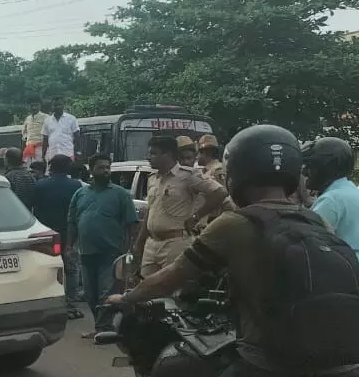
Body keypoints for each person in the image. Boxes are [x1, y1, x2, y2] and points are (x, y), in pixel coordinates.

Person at [107, 124, 359, 377]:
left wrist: (128, 296)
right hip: (342, 365)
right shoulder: (316, 219)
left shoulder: (235, 224)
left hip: (271, 369)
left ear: (237, 174)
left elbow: (173, 276)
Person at [131, 136, 228, 277]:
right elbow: (150, 211)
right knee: (146, 285)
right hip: (152, 243)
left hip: (175, 242)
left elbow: (220, 192)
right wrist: (139, 242)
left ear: (167, 155)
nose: (148, 157)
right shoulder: (152, 178)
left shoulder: (188, 175)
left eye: (153, 153)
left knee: (172, 286)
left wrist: (196, 216)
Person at [304, 137, 359, 301]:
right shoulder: (349, 190)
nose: (306, 172)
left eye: (311, 166)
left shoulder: (331, 200)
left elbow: (308, 242)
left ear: (324, 168)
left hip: (355, 282)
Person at [67, 154, 138, 333]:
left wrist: (129, 249)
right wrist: (69, 246)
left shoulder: (121, 194)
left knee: (106, 293)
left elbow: (132, 224)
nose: (106, 171)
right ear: (91, 170)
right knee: (89, 294)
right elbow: (72, 222)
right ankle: (102, 327)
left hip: (111, 252)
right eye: (101, 167)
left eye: (107, 167)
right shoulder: (80, 193)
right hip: (86, 252)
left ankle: (103, 329)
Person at [32, 155, 84, 318]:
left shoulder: (40, 185)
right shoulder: (76, 185)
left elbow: (35, 209)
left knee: (47, 269)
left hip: (46, 235)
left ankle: (47, 305)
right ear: (68, 168)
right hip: (69, 235)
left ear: (51, 167)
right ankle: (70, 306)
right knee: (71, 270)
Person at [41, 96, 79, 162]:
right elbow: (45, 140)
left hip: (68, 154)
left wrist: (77, 153)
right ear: (52, 106)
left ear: (63, 105)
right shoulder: (47, 121)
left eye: (60, 104)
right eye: (55, 105)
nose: (58, 107)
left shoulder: (72, 118)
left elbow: (77, 137)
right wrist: (43, 155)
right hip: (52, 154)